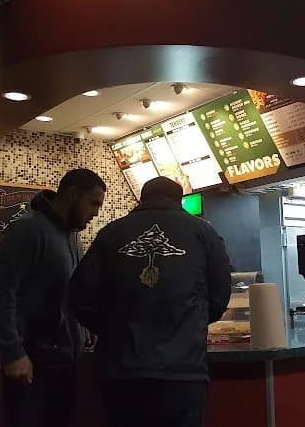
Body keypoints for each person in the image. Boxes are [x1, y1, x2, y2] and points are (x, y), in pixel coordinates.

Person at [70, 176, 232, 427]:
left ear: (142, 199)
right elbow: (220, 297)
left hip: (121, 373)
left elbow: (80, 297)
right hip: (182, 373)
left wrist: (113, 329)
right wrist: (189, 324)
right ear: (179, 201)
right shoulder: (204, 233)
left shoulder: (111, 233)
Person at [0, 169, 106, 427]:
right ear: (71, 195)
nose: (96, 212)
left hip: (65, 363)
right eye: (93, 203)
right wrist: (13, 353)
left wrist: (85, 327)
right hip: (33, 363)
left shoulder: (72, 235)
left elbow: (67, 289)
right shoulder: (29, 230)